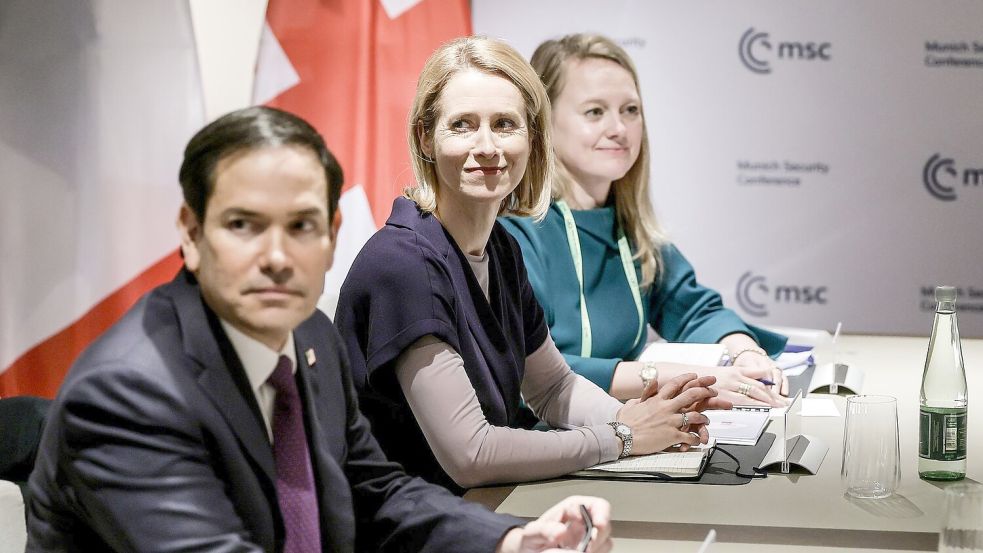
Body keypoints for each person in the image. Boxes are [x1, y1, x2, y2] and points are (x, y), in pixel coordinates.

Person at [26, 106, 613, 553]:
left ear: (333, 234)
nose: (277, 256)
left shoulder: (309, 337)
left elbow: (375, 491)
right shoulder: (127, 393)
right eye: (243, 225)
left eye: (302, 226)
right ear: (190, 232)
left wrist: (511, 540)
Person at [335, 37, 728, 495]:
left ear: (533, 137)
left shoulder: (499, 247)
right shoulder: (402, 265)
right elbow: (472, 455)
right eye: (462, 125)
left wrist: (640, 421)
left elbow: (552, 387)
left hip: (476, 510)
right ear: (426, 136)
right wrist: (622, 437)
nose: (486, 146)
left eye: (505, 124)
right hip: (405, 528)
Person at [500, 33, 788, 406]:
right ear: (544, 123)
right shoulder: (515, 234)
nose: (619, 128)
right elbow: (530, 372)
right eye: (595, 112)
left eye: (630, 110)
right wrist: (680, 378)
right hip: (546, 445)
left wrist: (746, 355)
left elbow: (693, 309)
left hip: (620, 434)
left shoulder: (630, 228)